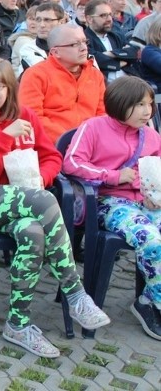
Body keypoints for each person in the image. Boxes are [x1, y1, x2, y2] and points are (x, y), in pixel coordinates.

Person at [0, 58, 110, 357]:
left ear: (10, 88)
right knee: (45, 200)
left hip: (23, 206)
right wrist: (3, 138)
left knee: (33, 231)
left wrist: (43, 176)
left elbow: (52, 157)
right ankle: (75, 293)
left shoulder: (26, 116)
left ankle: (18, 323)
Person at [63, 76, 161, 339]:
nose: (148, 111)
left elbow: (156, 170)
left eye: (150, 104)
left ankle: (146, 299)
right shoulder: (93, 127)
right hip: (109, 202)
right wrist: (114, 176)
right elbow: (71, 163)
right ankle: (155, 303)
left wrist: (152, 190)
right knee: (152, 241)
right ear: (120, 103)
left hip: (146, 203)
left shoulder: (151, 136)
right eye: (140, 104)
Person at [18, 24, 106, 143]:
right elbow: (32, 117)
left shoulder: (95, 75)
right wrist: (69, 140)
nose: (84, 48)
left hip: (92, 143)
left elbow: (102, 114)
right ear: (56, 52)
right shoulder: (35, 75)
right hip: (53, 147)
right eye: (75, 44)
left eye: (85, 42)